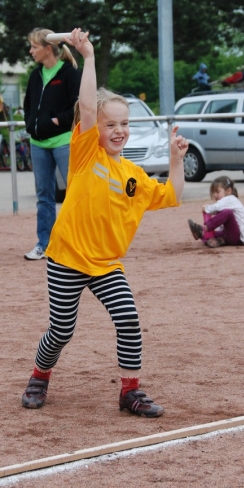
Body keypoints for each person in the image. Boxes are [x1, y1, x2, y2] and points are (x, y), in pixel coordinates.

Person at [21, 28, 189, 417]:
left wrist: (176, 160)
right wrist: (89, 57)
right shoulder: (84, 154)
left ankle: (130, 392)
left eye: (124, 123)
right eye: (110, 124)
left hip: (105, 265)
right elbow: (83, 105)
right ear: (96, 127)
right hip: (66, 258)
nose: (118, 130)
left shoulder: (134, 175)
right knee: (62, 330)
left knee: (128, 318)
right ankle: (39, 375)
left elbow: (173, 195)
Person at [23, 27, 82, 260]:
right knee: (43, 196)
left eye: (34, 47)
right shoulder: (35, 75)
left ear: (48, 49)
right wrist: (31, 124)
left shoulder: (69, 73)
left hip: (64, 142)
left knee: (74, 193)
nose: (30, 51)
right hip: (38, 144)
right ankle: (44, 244)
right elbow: (28, 105)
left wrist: (57, 121)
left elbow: (78, 107)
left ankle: (76, 243)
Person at [188, 176, 244, 248]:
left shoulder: (230, 199)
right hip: (230, 235)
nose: (214, 195)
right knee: (212, 234)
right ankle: (208, 237)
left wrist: (207, 208)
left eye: (217, 192)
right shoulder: (224, 204)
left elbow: (215, 207)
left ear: (228, 191)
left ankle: (204, 229)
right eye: (213, 192)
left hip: (240, 238)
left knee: (228, 213)